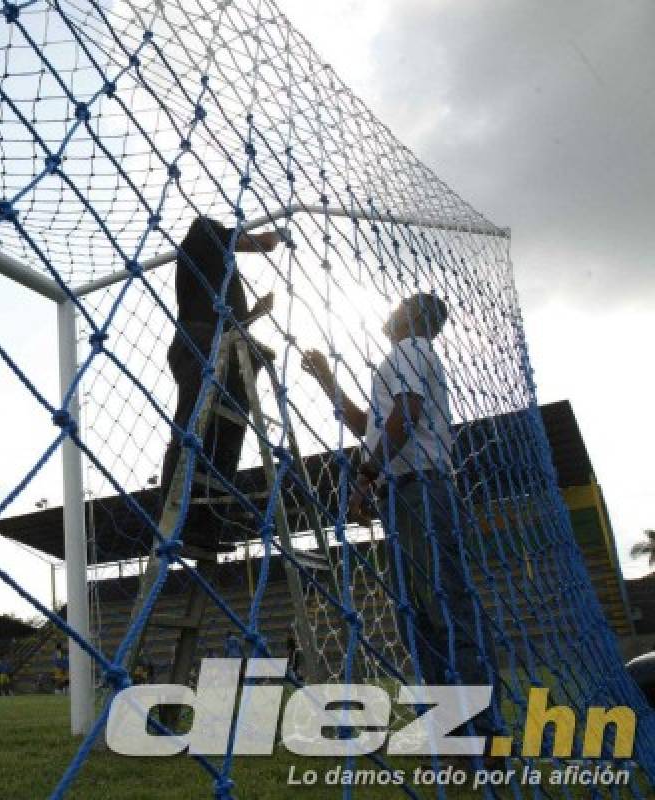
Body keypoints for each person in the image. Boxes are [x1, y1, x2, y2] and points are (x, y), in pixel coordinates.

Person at [300, 292, 500, 735]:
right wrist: (328, 381)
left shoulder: (410, 349)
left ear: (414, 315)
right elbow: (368, 427)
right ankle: (458, 733)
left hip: (418, 492)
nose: (392, 311)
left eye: (401, 305)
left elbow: (406, 416)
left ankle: (481, 735)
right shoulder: (407, 358)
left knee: (443, 613)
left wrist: (366, 477)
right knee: (424, 618)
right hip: (409, 494)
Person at [162, 216, 280, 551]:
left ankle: (208, 525)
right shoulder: (203, 234)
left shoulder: (220, 276)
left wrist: (254, 313)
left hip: (226, 348)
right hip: (200, 343)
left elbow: (229, 323)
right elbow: (263, 242)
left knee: (225, 435)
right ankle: (174, 522)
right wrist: (271, 236)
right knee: (194, 430)